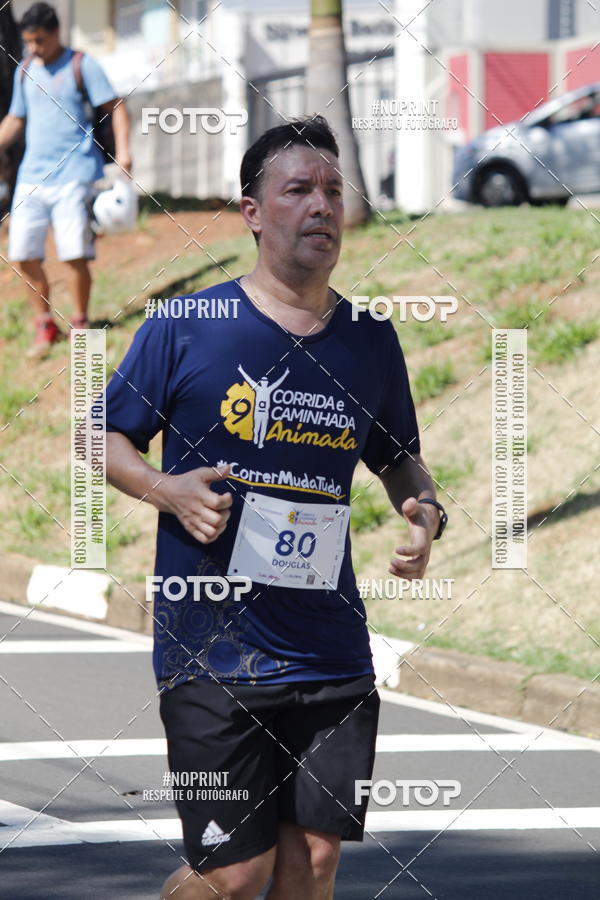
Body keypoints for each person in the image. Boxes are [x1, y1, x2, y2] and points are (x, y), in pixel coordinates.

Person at [105, 115, 447, 900]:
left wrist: (424, 510)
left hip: (329, 646)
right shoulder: (188, 326)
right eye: (298, 189)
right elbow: (104, 439)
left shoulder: (368, 338)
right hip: (210, 650)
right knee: (233, 872)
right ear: (252, 212)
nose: (322, 205)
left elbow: (396, 456)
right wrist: (167, 489)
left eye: (332, 189)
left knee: (315, 863)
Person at [0, 2, 131, 357]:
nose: (34, 48)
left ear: (56, 32)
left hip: (75, 173)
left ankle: (80, 322)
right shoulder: (25, 69)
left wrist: (125, 152)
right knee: (23, 255)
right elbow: (16, 118)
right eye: (29, 41)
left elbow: (116, 107)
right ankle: (45, 324)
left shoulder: (82, 65)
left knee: (73, 255)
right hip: (31, 178)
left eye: (40, 40)